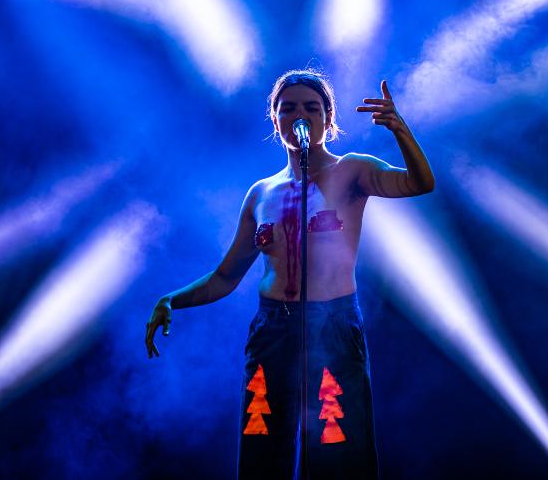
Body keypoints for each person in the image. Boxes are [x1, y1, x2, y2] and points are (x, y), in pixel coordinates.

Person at [145, 68, 434, 480]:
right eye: (288, 108)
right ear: (275, 118)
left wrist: (400, 130)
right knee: (263, 447)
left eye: (312, 107)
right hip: (272, 332)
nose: (300, 115)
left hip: (331, 326)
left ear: (328, 120)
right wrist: (171, 298)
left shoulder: (351, 171)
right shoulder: (262, 193)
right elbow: (226, 277)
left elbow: (418, 183)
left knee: (339, 451)